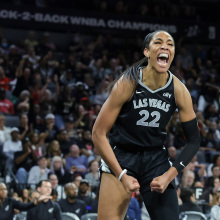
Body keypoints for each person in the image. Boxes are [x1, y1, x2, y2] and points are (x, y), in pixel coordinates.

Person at [92, 30, 200, 220]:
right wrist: (121, 175)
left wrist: (169, 175)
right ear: (146, 52)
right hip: (122, 156)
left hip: (155, 158)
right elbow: (98, 133)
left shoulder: (179, 90)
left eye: (170, 44)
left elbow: (194, 140)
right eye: (158, 42)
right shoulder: (128, 83)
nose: (165, 46)